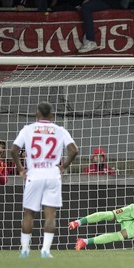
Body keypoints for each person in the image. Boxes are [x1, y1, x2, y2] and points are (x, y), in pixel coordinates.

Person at [11, 102, 78, 259]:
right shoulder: (60, 130)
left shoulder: (28, 129)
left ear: (37, 114)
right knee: (50, 215)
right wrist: (63, 166)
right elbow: (74, 150)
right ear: (52, 115)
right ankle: (45, 251)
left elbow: (13, 149)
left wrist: (21, 169)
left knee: (28, 214)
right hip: (52, 175)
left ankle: (25, 250)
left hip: (34, 175)